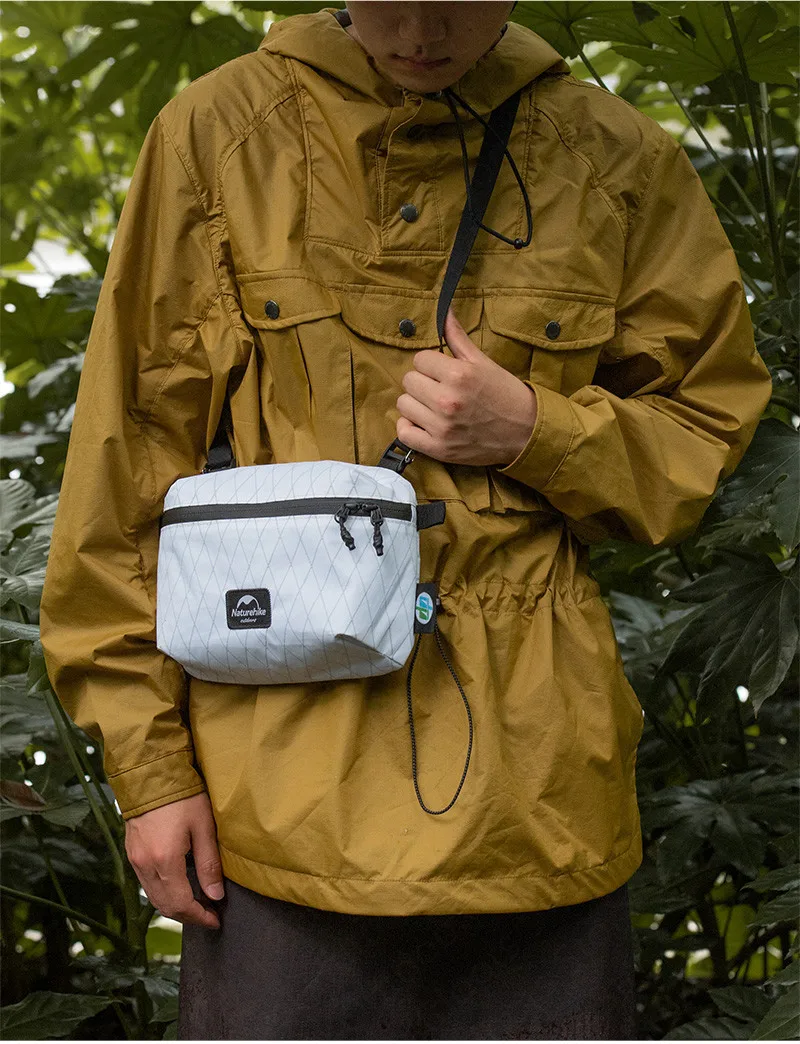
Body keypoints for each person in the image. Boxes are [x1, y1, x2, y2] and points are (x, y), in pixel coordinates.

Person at [39, 1, 773, 1039]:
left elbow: (703, 426)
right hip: (274, 805)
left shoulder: (613, 156)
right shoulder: (219, 134)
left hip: (538, 801)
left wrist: (536, 431)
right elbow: (123, 479)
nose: (422, 30)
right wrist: (152, 778)